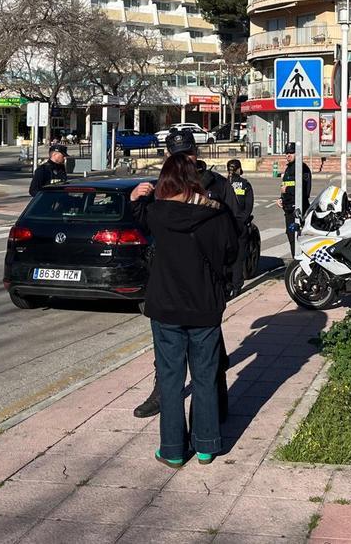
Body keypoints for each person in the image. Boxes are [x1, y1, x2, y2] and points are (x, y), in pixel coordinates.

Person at [129, 155, 238, 468]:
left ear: (165, 181)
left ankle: (173, 450)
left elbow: (139, 221)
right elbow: (231, 252)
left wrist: (136, 197)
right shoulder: (217, 214)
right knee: (205, 377)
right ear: (195, 179)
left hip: (166, 308)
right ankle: (206, 447)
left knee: (171, 379)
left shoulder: (157, 213)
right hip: (204, 307)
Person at [279, 142, 312, 255]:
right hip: (288, 209)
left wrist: (287, 190)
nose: (288, 155)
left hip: (298, 209)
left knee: (298, 238)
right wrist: (281, 199)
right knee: (291, 237)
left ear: (297, 154)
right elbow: (286, 185)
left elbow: (303, 191)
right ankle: (296, 263)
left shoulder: (302, 168)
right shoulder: (288, 169)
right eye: (287, 153)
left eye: (291, 153)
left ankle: (301, 265)